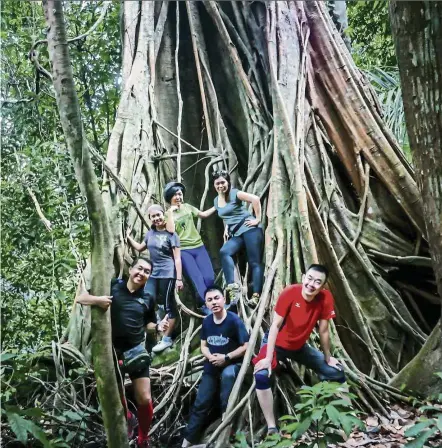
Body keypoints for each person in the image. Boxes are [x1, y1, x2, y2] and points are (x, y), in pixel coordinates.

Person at [77, 257, 166, 448]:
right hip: (111, 352)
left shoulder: (148, 297)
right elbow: (81, 298)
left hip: (135, 351)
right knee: (117, 397)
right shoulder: (112, 286)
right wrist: (98, 300)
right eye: (139, 269)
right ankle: (128, 419)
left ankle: (143, 437)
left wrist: (158, 327)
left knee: (145, 397)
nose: (142, 274)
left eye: (147, 272)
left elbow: (148, 325)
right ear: (131, 269)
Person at [253, 264, 345, 435]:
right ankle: (272, 426)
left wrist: (328, 356)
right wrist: (267, 358)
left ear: (323, 286)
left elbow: (324, 330)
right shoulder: (290, 292)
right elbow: (274, 326)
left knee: (337, 371)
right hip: (277, 343)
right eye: (309, 279)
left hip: (299, 346)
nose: (312, 284)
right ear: (303, 277)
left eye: (318, 282)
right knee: (261, 375)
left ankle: (347, 416)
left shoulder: (325, 298)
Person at [182, 285, 249, 447]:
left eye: (217, 298)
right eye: (210, 300)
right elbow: (203, 345)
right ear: (206, 304)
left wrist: (227, 357)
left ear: (224, 300)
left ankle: (226, 430)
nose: (214, 302)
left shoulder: (234, 320)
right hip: (212, 366)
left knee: (227, 378)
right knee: (201, 403)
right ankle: (186, 442)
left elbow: (246, 345)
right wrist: (210, 356)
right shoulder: (207, 322)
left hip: (232, 364)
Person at [127, 204, 183, 353]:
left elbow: (177, 258)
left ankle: (166, 339)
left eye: (159, 215)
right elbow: (140, 248)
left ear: (163, 215)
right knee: (148, 300)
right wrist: (126, 237)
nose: (157, 218)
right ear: (150, 219)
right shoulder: (150, 234)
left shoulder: (172, 235)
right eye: (153, 216)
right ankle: (154, 327)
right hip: (153, 273)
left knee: (169, 305)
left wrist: (179, 279)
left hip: (168, 273)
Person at [210, 170, 264, 307]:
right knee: (224, 252)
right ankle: (232, 286)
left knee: (254, 262)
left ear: (228, 182)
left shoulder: (235, 193)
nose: (220, 185)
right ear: (214, 185)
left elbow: (255, 199)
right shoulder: (216, 200)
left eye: (223, 182)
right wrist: (227, 228)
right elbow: (226, 216)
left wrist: (257, 219)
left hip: (250, 229)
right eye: (217, 183)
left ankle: (256, 295)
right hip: (236, 234)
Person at [163, 182, 215, 315]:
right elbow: (171, 230)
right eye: (175, 195)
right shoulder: (167, 215)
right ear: (169, 197)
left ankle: (213, 300)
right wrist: (170, 212)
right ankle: (205, 306)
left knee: (209, 277)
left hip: (199, 247)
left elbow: (202, 215)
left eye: (180, 194)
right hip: (184, 250)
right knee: (197, 278)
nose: (178, 197)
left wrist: (218, 206)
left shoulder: (187, 207)